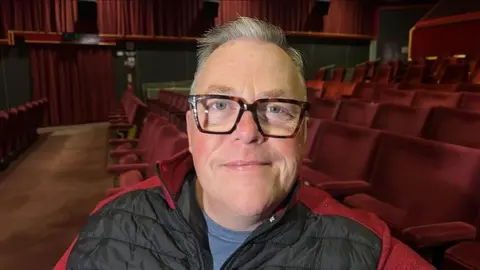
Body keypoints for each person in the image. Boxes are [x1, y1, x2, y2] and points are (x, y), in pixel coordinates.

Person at [54, 17, 434, 269]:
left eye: (277, 108)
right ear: (190, 127)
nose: (248, 131)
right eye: (219, 105)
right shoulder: (113, 222)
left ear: (302, 133)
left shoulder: (371, 252)